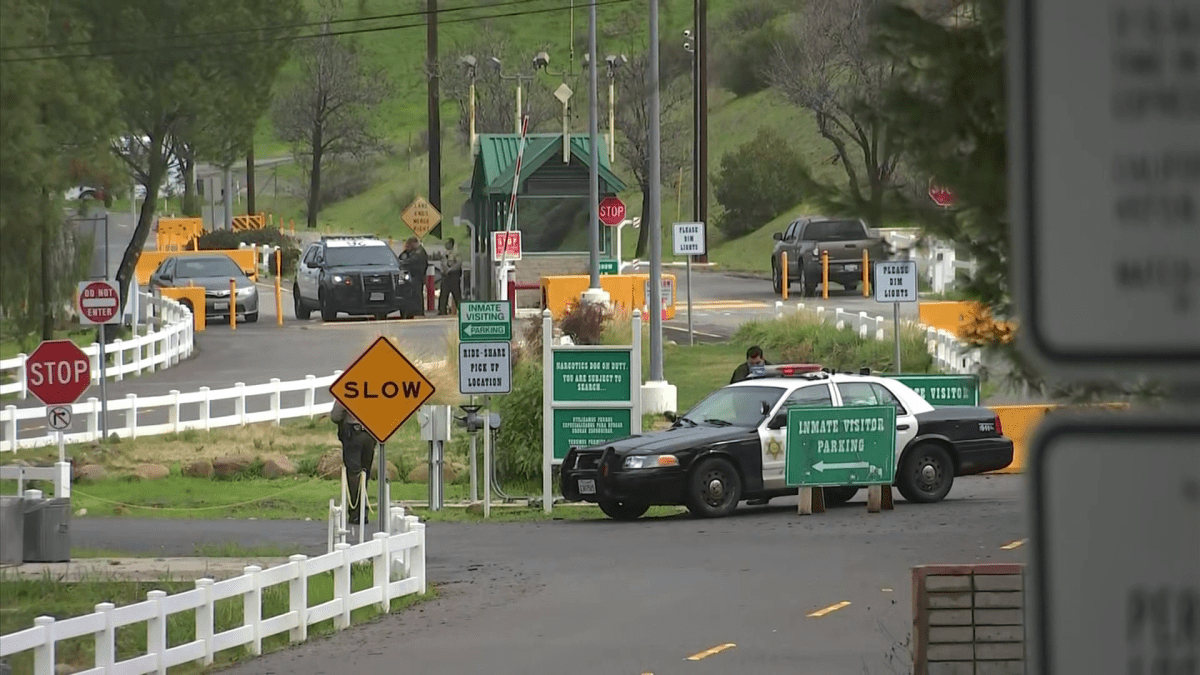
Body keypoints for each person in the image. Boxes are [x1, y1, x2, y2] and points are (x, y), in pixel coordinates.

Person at [330, 399, 376, 526]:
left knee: (354, 473)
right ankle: (362, 510)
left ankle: (356, 512)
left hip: (353, 434)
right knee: (365, 472)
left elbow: (335, 415)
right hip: (370, 434)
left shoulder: (348, 389)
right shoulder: (373, 388)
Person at [437, 237, 463, 315]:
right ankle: (442, 310)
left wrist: (450, 269)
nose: (446, 245)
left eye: (448, 243)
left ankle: (461, 310)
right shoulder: (444, 253)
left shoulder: (456, 253)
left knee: (456, 294)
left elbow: (458, 264)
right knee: (443, 294)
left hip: (454, 275)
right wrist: (445, 270)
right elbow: (443, 263)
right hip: (446, 276)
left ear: (451, 244)